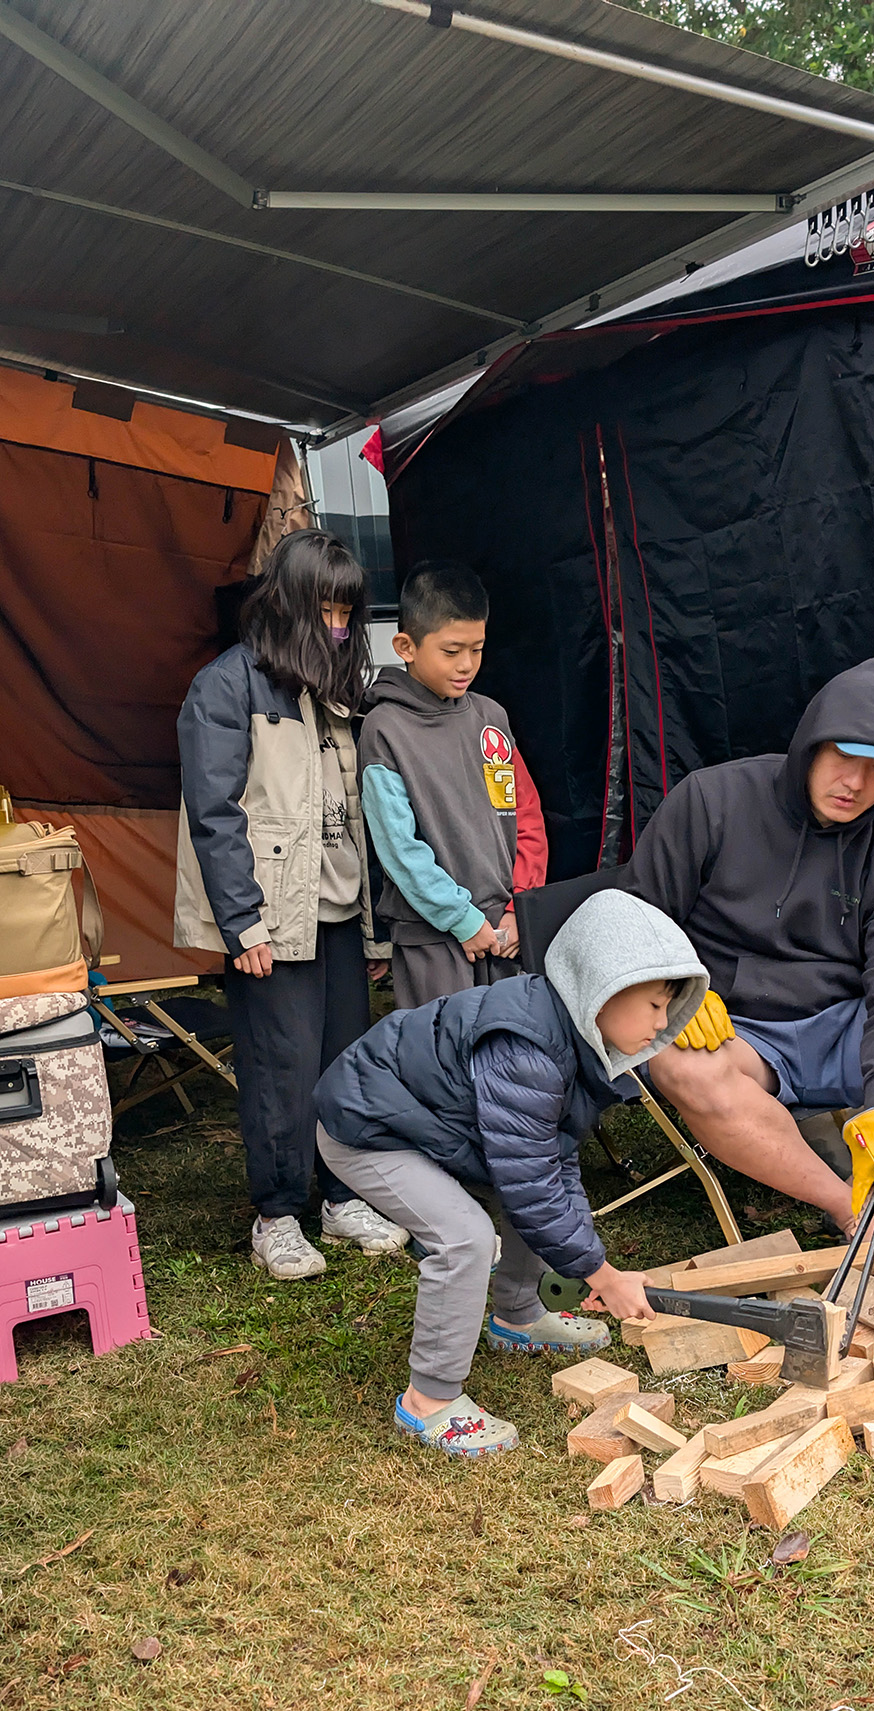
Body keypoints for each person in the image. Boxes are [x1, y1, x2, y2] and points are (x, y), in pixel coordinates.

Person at [633, 658, 874, 1250]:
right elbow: (636, 918)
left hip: (845, 1019)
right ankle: (847, 1207)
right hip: (734, 1029)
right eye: (844, 758)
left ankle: (871, 1170)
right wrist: (672, 990)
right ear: (811, 745)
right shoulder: (712, 800)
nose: (855, 783)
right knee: (677, 1059)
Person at [314, 890, 701, 1456]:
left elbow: (551, 1164)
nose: (665, 1024)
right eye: (654, 1005)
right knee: (465, 1237)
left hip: (423, 1124)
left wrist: (592, 1263)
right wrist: (604, 1277)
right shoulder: (527, 1048)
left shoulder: (573, 1038)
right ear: (603, 985)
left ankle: (518, 1316)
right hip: (367, 1129)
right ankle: (428, 1401)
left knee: (539, 1203)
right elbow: (533, 1184)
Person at [174, 529, 409, 1280]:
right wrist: (242, 922)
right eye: (326, 612)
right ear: (286, 606)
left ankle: (343, 1198)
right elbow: (215, 813)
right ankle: (276, 1215)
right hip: (271, 920)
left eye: (348, 614)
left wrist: (375, 929)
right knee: (282, 1070)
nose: (339, 628)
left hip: (342, 916)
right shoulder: (226, 686)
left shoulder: (339, 692)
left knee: (348, 1064)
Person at [358, 560, 546, 1012]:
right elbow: (399, 849)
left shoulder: (491, 719)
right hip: (433, 939)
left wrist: (522, 906)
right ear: (404, 645)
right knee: (444, 1064)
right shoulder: (384, 730)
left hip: (506, 932)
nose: (467, 665)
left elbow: (525, 816)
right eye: (451, 650)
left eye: (477, 649)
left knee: (513, 1058)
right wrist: (461, 919)